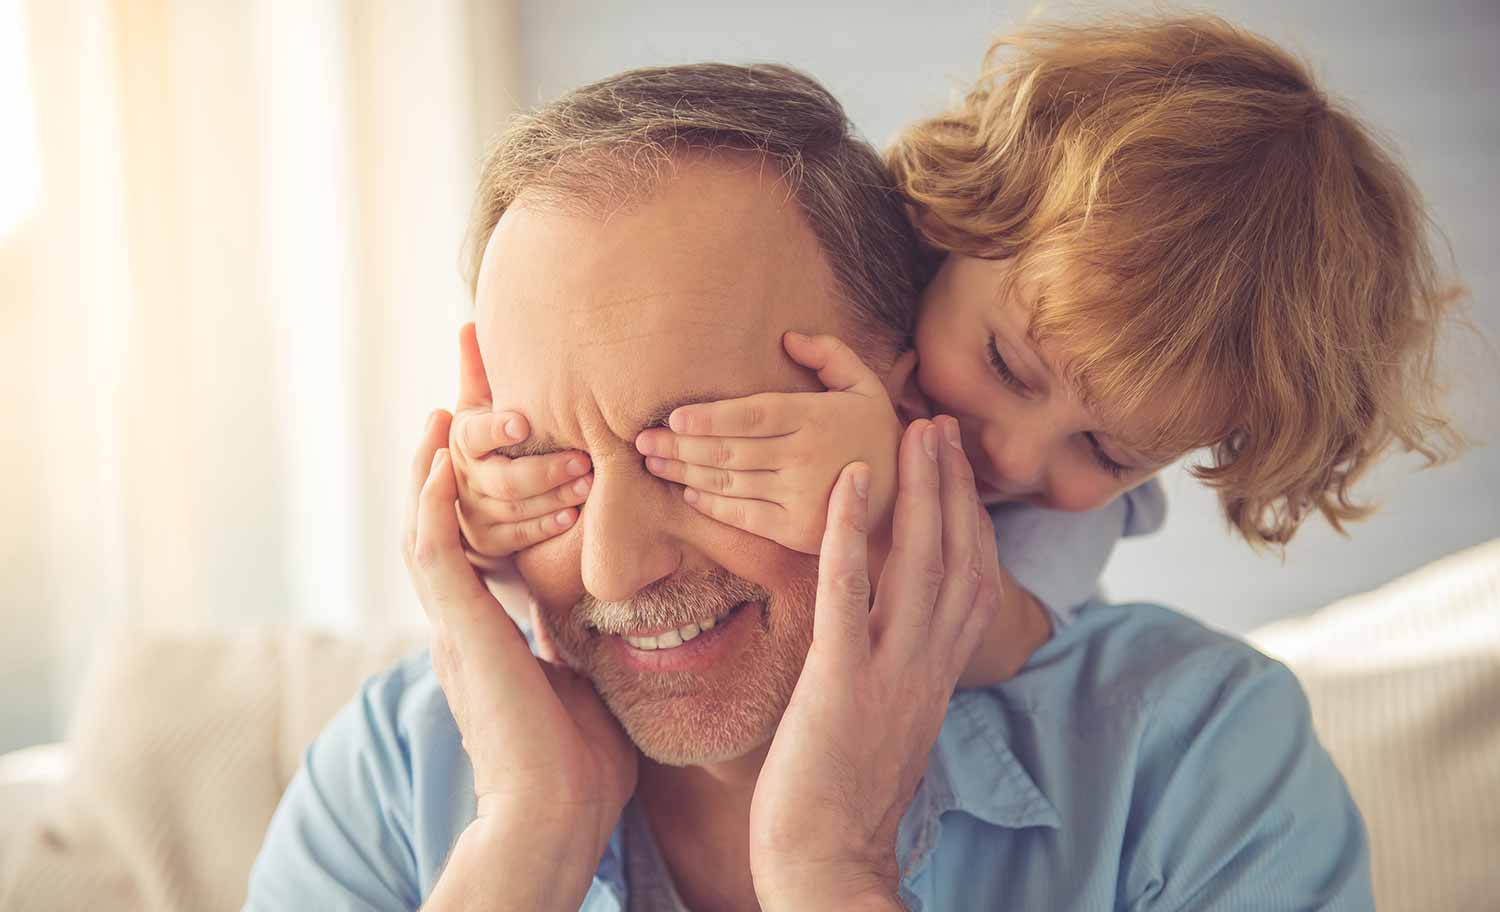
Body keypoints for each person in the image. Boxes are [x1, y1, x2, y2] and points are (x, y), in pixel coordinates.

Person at [215, 62, 1392, 912]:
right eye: (548, 459)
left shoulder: (1197, 757)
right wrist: (527, 834)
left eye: (701, 443)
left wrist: (835, 888)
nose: (1009, 460)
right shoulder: (397, 767)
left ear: (883, 390)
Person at [456, 15, 1461, 687]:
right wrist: (514, 491)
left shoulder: (1065, 540)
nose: (1015, 459)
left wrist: (886, 512)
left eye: (1107, 452)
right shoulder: (831, 287)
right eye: (1009, 365)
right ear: (949, 223)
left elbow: (994, 642)